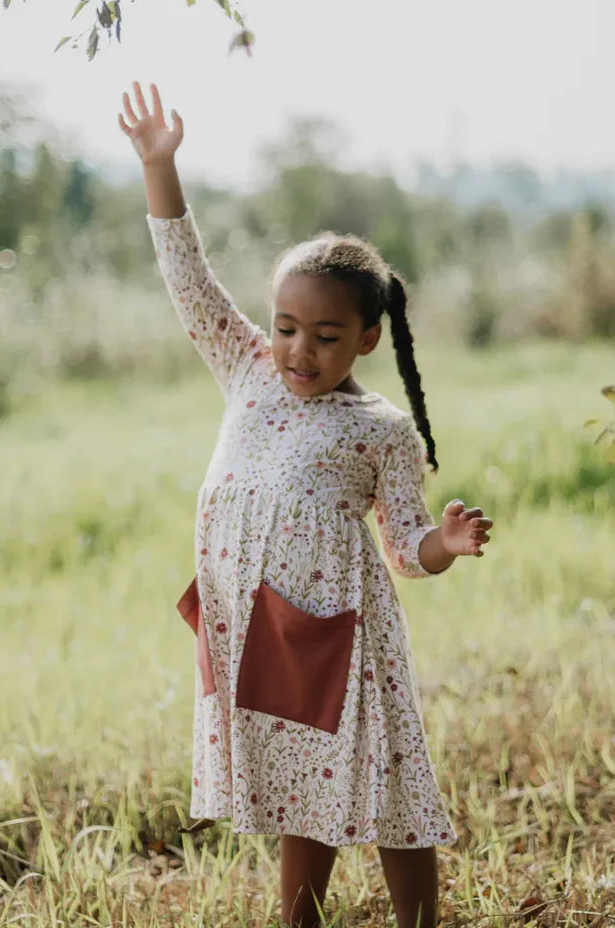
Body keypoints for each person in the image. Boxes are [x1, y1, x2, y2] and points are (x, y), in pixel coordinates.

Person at [118, 81, 494, 928]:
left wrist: (445, 541)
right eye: (287, 326)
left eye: (326, 336)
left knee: (391, 783)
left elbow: (404, 547)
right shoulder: (246, 367)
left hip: (342, 629)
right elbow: (189, 279)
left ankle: (421, 922)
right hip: (255, 620)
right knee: (298, 787)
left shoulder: (380, 429)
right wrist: (160, 168)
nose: (299, 349)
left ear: (365, 338)